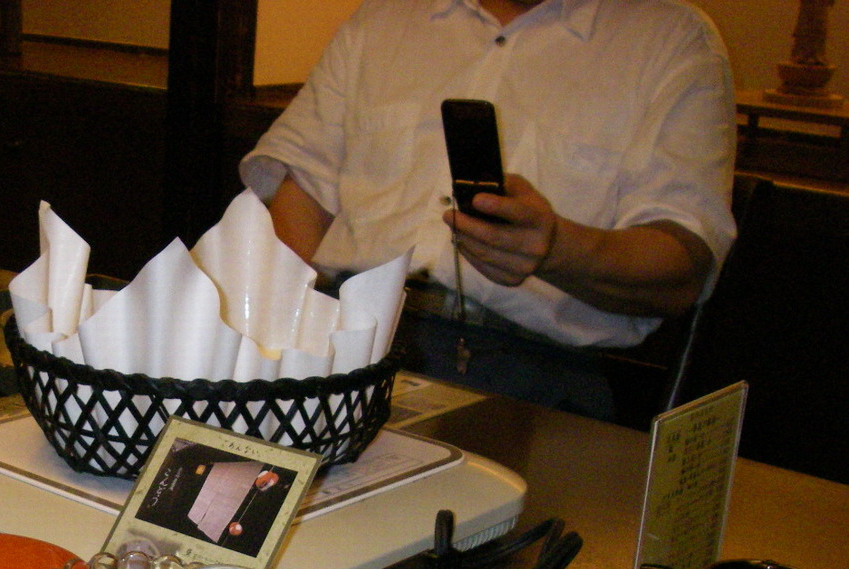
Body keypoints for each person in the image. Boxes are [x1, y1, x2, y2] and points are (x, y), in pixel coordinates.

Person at [241, 0, 738, 420]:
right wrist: (271, 344)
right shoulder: (383, 18)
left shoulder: (671, 37)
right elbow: (300, 202)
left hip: (532, 369)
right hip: (344, 337)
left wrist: (557, 249)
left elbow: (682, 267)